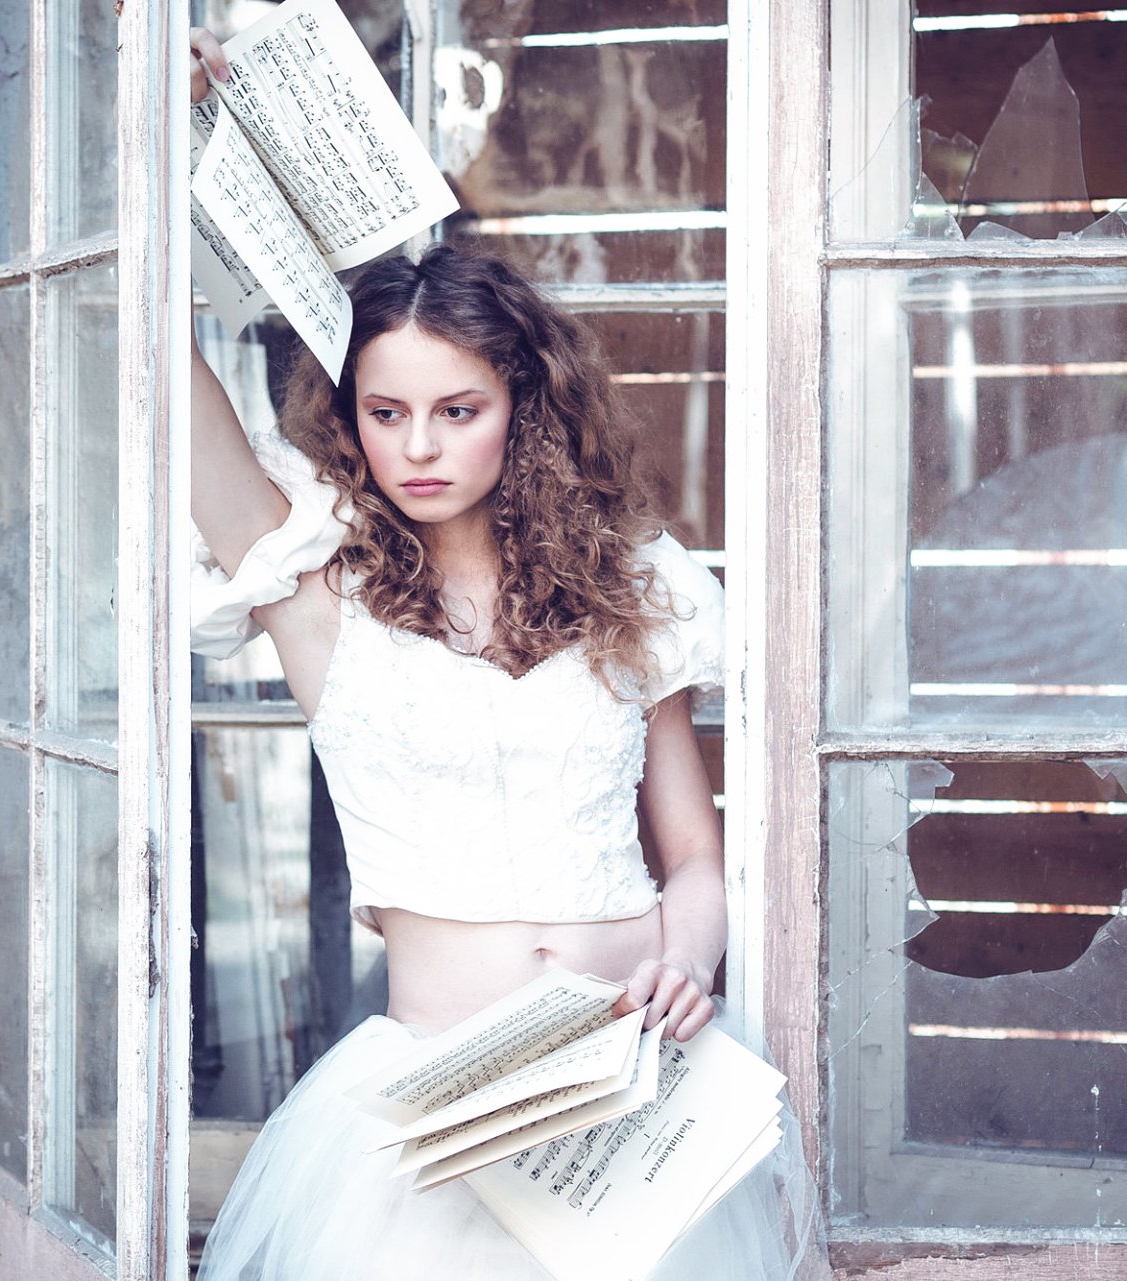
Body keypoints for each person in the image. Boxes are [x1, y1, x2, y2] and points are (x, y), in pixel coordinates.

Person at [188, 29, 819, 1280]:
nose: (417, 444)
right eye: (386, 412)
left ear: (523, 410)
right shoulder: (325, 598)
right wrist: (176, 147)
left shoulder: (631, 594)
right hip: (432, 1128)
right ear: (354, 420)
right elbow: (175, 404)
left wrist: (689, 960)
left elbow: (691, 854)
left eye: (457, 410)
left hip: (634, 1110)